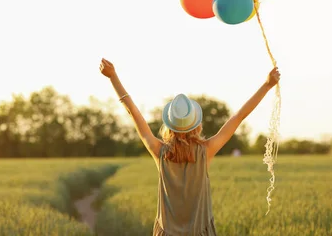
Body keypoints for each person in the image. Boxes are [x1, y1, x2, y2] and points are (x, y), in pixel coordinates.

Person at [99, 58, 280, 236]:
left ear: (169, 126)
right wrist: (267, 85)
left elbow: (133, 112)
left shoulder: (159, 152)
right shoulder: (207, 150)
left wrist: (113, 77)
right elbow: (239, 116)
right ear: (197, 125)